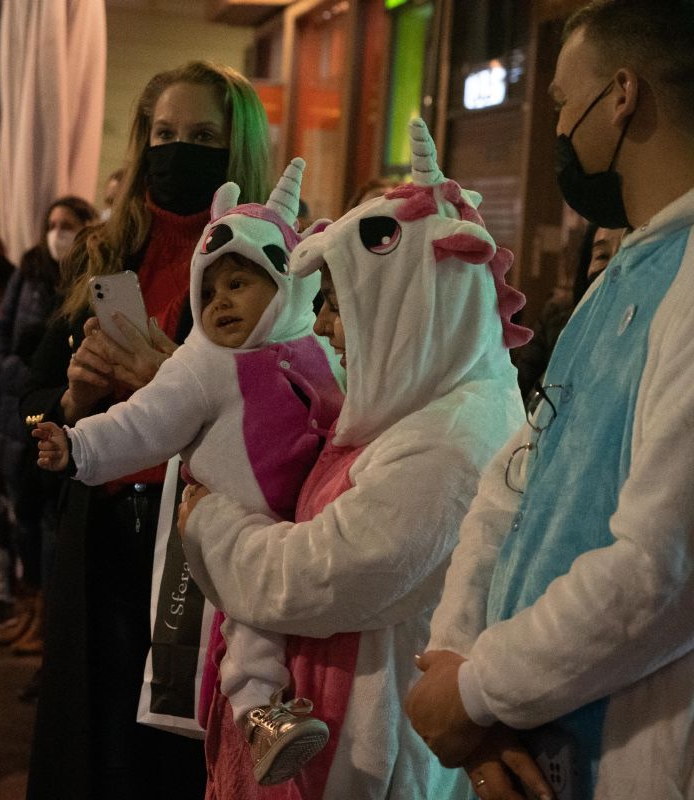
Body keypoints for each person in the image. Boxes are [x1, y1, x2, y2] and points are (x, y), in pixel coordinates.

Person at [178, 119, 530, 799]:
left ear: (408, 308)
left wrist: (210, 523)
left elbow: (321, 575)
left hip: (363, 753)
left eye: (347, 307)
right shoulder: (425, 401)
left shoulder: (451, 440)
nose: (331, 327)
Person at [407, 3, 694, 797]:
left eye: (566, 102)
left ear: (624, 94)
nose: (560, 128)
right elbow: (515, 488)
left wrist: (478, 692)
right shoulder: (623, 277)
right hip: (528, 744)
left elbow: (661, 570)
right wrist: (463, 667)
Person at [35, 159, 345, 786]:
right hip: (243, 522)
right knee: (251, 621)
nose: (220, 301)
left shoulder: (316, 351)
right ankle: (260, 718)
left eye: (241, 283)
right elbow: (142, 423)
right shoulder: (202, 365)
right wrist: (78, 446)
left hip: (311, 521)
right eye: (209, 289)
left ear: (286, 283)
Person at [23, 60, 271, 800]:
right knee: (90, 751)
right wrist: (69, 402)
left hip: (199, 551)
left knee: (174, 758)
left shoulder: (268, 265)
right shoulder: (99, 253)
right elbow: (26, 407)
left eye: (201, 136)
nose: (177, 150)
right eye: (164, 133)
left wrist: (169, 385)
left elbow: (288, 410)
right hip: (97, 536)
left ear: (236, 150)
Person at [0, 195, 98, 656]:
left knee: (48, 525)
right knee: (22, 522)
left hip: (56, 419)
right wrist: (8, 373)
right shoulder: (30, 271)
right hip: (21, 413)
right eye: (51, 223)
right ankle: (28, 609)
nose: (57, 233)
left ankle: (45, 623)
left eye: (67, 224)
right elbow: (2, 329)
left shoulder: (85, 284)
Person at [514, 223, 624, 399]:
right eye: (602, 256)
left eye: (627, 253)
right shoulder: (557, 317)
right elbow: (517, 391)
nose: (614, 266)